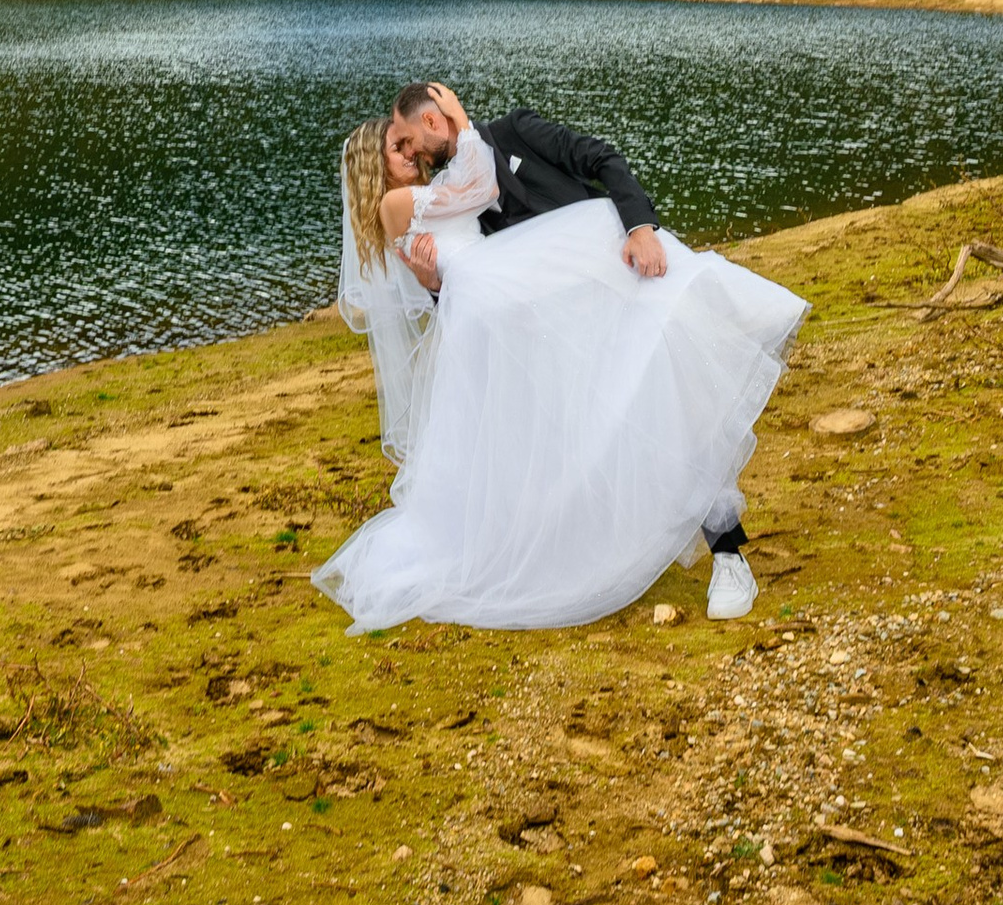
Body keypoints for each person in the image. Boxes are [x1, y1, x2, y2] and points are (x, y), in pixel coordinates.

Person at [315, 83, 804, 632]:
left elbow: (600, 159)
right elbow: (457, 276)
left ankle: (728, 554)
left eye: (408, 140)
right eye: (397, 149)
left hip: (609, 287)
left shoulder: (511, 133)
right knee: (578, 444)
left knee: (674, 398)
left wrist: (641, 228)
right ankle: (594, 555)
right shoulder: (432, 191)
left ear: (432, 121)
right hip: (536, 338)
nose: (411, 154)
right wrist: (430, 283)